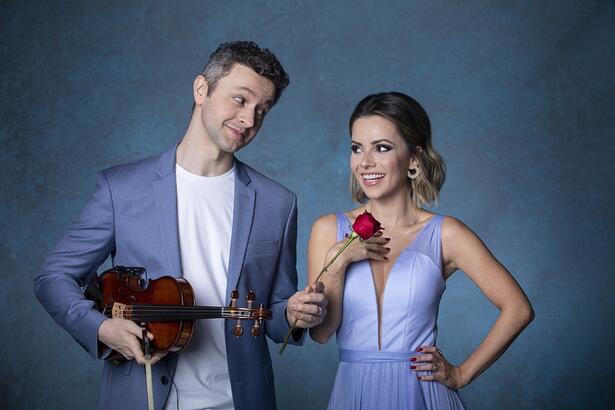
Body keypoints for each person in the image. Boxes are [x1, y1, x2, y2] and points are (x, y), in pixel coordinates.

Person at [34, 41, 327, 410]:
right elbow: (52, 277)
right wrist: (102, 329)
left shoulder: (279, 204)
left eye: (262, 110)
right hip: (143, 398)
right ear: (201, 89)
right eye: (240, 100)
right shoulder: (121, 189)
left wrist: (295, 314)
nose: (250, 120)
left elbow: (273, 319)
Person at [308, 92, 534, 409]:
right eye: (357, 148)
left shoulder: (447, 234)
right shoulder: (327, 230)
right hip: (353, 394)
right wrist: (338, 262)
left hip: (424, 396)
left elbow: (518, 308)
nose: (365, 162)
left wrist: (462, 374)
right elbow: (320, 334)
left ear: (413, 159)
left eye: (382, 148)